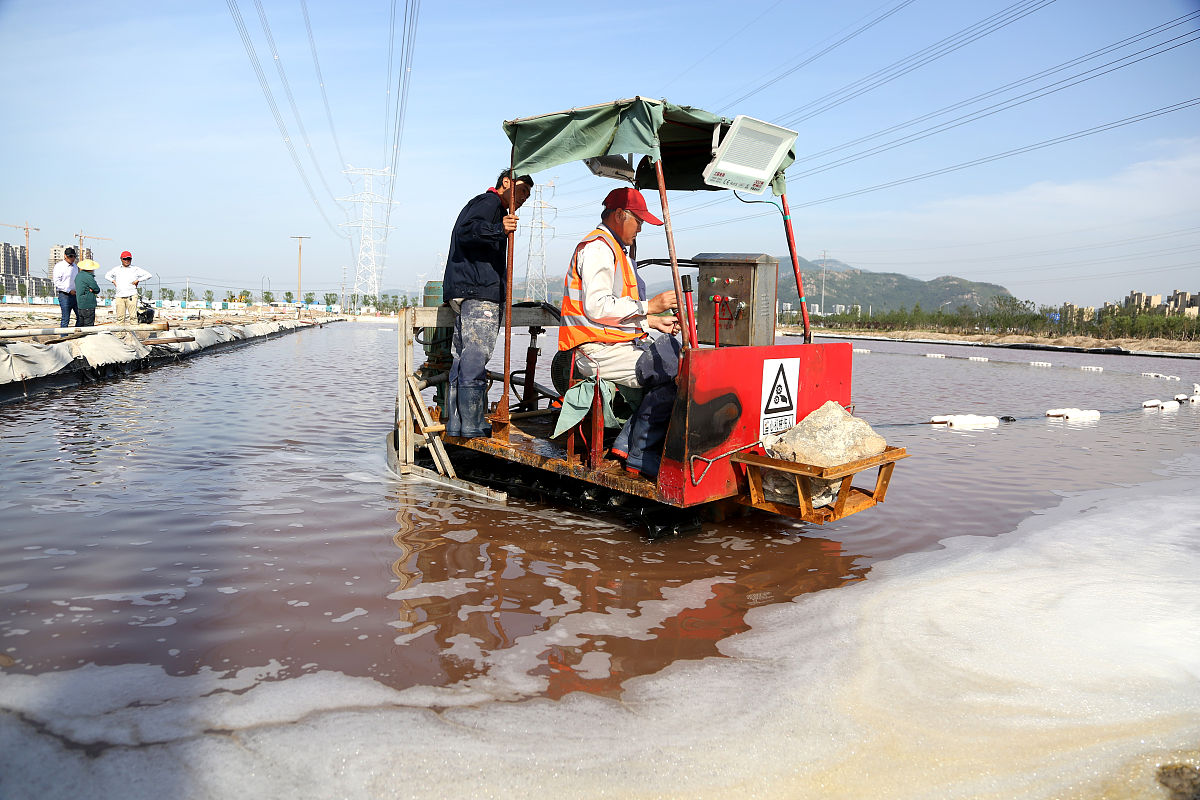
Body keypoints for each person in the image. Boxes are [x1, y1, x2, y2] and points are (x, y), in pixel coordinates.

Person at [559, 187, 680, 478]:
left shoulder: (615, 249)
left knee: (675, 354)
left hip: (612, 344)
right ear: (619, 215)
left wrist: (651, 321)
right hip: (593, 349)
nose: (640, 228)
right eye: (638, 221)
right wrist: (650, 306)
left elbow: (616, 312)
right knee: (673, 372)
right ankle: (639, 453)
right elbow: (598, 307)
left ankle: (627, 442)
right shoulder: (599, 247)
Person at [441, 169, 533, 438]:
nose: (525, 197)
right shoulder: (491, 203)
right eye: (522, 190)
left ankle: (457, 423)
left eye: (528, 194)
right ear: (506, 183)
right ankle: (471, 423)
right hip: (480, 292)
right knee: (475, 356)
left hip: (467, 290)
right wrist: (498, 228)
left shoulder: (483, 204)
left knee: (461, 357)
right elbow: (468, 231)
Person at [104, 251, 152, 326]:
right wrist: (113, 281)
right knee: (120, 318)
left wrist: (138, 280)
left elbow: (148, 275)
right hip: (120, 296)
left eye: (128, 259)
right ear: (121, 259)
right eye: (125, 259)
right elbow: (107, 275)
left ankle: (134, 335)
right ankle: (120, 335)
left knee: (133, 317)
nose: (127, 260)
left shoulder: (135, 269)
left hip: (131, 295)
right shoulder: (117, 269)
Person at [52, 247, 79, 328]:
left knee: (80, 316)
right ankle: (63, 337)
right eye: (71, 256)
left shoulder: (75, 267)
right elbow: (57, 282)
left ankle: (76, 335)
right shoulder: (59, 266)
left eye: (74, 256)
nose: (73, 258)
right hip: (65, 295)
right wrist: (68, 290)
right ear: (65, 256)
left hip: (75, 295)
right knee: (66, 318)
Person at [74, 260, 101, 327]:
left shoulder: (78, 276)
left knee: (81, 325)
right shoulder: (88, 277)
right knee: (88, 326)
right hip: (88, 304)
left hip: (80, 304)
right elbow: (97, 289)